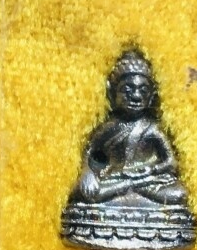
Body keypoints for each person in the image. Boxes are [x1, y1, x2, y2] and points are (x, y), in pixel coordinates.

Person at [73, 49, 188, 207]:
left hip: (146, 180)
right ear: (112, 93)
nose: (136, 96)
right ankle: (127, 189)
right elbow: (88, 152)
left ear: (151, 96)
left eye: (143, 91)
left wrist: (150, 171)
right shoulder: (110, 127)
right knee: (84, 191)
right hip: (115, 178)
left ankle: (128, 190)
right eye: (127, 90)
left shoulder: (152, 128)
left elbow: (171, 163)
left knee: (179, 194)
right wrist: (87, 173)